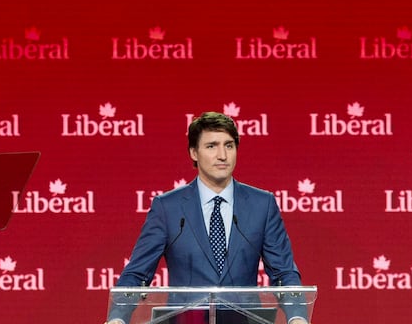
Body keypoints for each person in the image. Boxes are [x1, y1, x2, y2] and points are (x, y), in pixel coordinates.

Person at [106, 111, 308, 324]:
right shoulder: (168, 208)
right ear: (194, 152)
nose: (222, 155)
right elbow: (136, 274)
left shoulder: (262, 205)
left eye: (229, 145)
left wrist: (297, 317)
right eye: (212, 146)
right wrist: (117, 319)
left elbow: (284, 273)